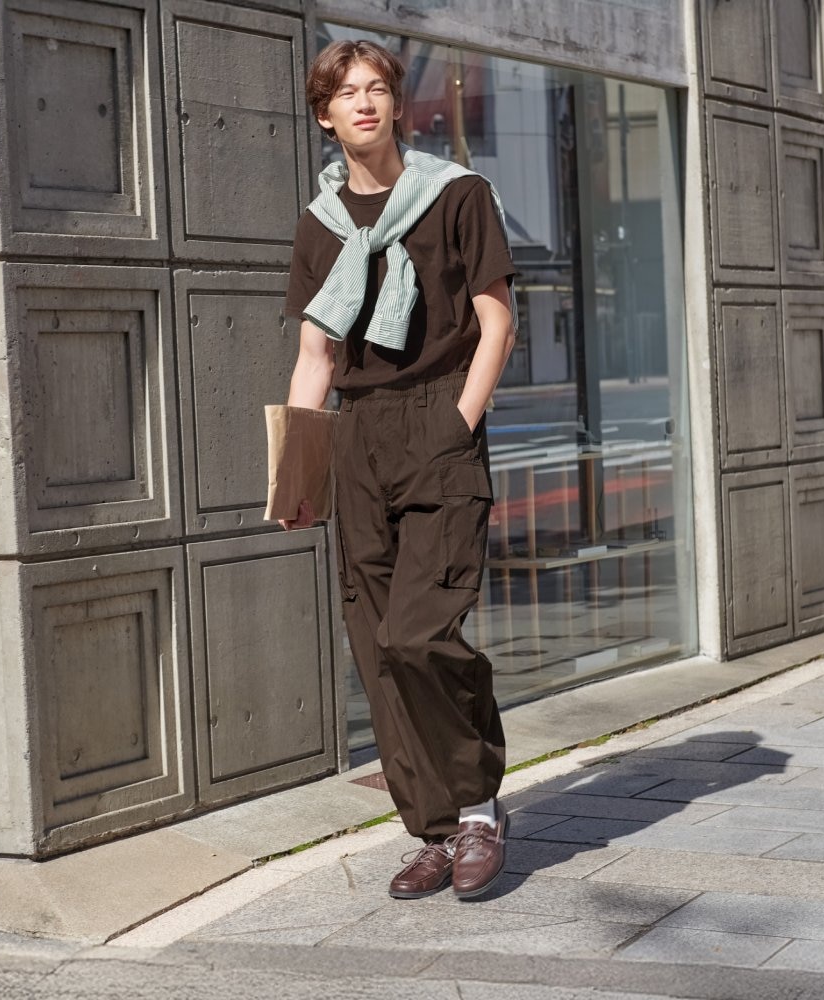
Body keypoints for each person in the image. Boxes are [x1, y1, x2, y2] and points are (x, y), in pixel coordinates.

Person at [278, 39, 517, 901]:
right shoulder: (321, 223)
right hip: (359, 435)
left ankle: (481, 807)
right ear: (325, 115)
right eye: (349, 95)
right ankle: (436, 829)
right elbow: (316, 352)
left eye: (379, 89)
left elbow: (497, 324)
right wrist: (298, 471)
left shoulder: (455, 195)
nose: (366, 104)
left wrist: (459, 422)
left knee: (422, 631)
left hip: (438, 419)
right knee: (376, 647)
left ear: (397, 107)